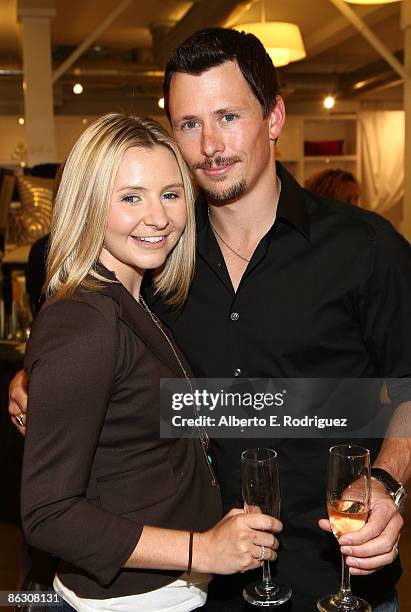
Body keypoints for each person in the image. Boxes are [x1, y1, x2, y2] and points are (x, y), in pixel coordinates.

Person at [9, 29, 411, 611]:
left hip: (337, 581)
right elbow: (92, 351)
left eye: (228, 115)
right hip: (199, 588)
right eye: (189, 124)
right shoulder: (156, 256)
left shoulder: (365, 248)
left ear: (274, 116)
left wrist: (388, 481)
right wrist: (35, 379)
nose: (210, 145)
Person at [16, 112, 279, 612]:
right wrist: (203, 549)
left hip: (167, 590)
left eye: (171, 194)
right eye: (130, 197)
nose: (158, 217)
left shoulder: (133, 299)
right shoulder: (86, 320)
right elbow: (49, 513)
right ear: (88, 205)